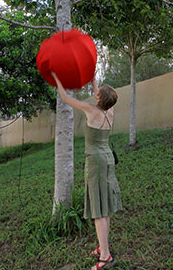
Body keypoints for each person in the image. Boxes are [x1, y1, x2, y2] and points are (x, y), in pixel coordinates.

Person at [51, 71, 122, 270]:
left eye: (98, 92)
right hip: (107, 158)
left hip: (96, 162)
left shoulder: (91, 110)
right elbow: (102, 96)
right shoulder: (110, 112)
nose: (96, 93)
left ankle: (106, 257)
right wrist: (93, 81)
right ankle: (103, 246)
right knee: (105, 205)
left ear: (100, 98)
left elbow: (65, 98)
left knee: (99, 210)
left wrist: (57, 77)